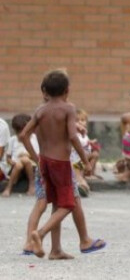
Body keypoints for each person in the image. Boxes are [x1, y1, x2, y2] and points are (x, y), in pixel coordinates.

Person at [20, 69, 92, 259]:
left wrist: (36, 157)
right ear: (67, 90)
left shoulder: (40, 110)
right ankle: (40, 234)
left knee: (56, 203)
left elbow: (23, 135)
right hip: (61, 164)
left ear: (44, 91)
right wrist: (85, 160)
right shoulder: (68, 108)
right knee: (68, 204)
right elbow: (73, 136)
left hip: (44, 162)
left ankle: (56, 250)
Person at [2, 113, 36, 197]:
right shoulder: (12, 140)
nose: (21, 135)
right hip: (16, 167)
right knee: (20, 163)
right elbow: (8, 157)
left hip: (31, 166)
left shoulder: (34, 139)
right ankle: (9, 187)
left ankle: (31, 184)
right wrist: (11, 162)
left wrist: (28, 155)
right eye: (18, 132)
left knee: (25, 160)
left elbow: (37, 156)